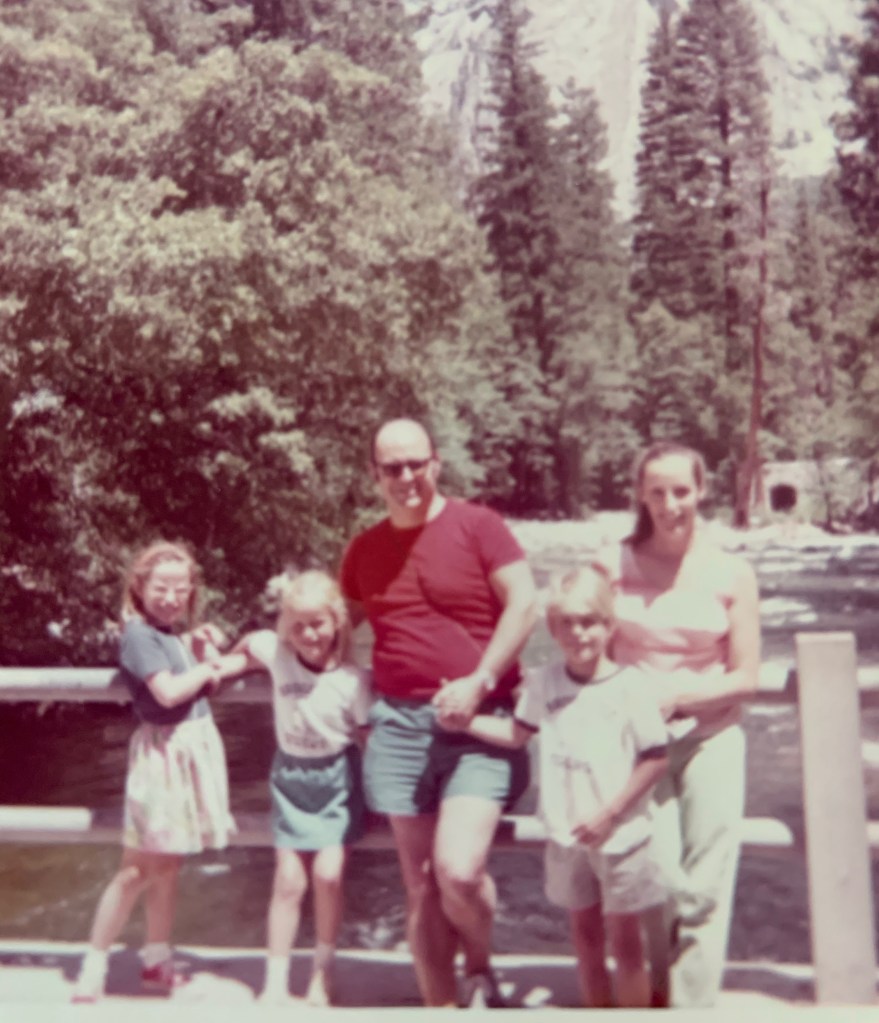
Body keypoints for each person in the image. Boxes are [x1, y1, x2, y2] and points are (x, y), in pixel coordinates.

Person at [339, 417, 538, 1008]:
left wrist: (480, 681)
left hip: (481, 724)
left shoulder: (479, 526)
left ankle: (478, 964)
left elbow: (525, 604)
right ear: (374, 475)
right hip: (399, 727)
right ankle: (441, 1007)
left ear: (435, 463)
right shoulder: (364, 549)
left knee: (457, 870)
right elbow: (326, 626)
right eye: (392, 467)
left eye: (416, 463)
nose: (406, 477)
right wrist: (246, 650)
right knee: (422, 885)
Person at [440, 565, 669, 1008]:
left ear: (610, 626)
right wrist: (464, 721)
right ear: (553, 628)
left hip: (620, 835)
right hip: (566, 833)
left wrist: (610, 813)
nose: (579, 633)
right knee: (584, 939)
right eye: (567, 623)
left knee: (627, 945)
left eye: (589, 622)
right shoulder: (544, 683)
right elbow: (517, 733)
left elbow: (655, 759)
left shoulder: (632, 686)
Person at [599, 441, 761, 1008]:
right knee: (662, 878)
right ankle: (662, 991)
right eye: (658, 492)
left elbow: (746, 676)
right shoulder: (610, 566)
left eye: (681, 491)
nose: (671, 505)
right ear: (640, 496)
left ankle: (690, 1009)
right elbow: (585, 648)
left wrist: (682, 698)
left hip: (712, 737)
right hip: (638, 745)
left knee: (706, 885)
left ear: (702, 491)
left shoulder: (732, 573)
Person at [72, 540, 238, 1003]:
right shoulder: (138, 635)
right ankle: (93, 966)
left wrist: (199, 650)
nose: (170, 598)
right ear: (139, 586)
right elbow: (167, 692)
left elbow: (193, 678)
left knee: (169, 864)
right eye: (161, 587)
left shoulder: (169, 637)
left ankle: (156, 960)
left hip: (187, 753)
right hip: (163, 757)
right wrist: (208, 668)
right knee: (136, 869)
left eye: (180, 589)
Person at [214, 570, 371, 1006]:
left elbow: (368, 739)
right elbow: (252, 642)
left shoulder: (354, 680)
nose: (308, 635)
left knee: (328, 875)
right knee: (287, 881)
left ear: (336, 621)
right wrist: (227, 663)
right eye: (298, 626)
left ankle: (323, 970)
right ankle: (275, 981)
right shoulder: (278, 653)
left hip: (338, 781)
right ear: (287, 626)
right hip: (291, 779)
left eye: (317, 623)